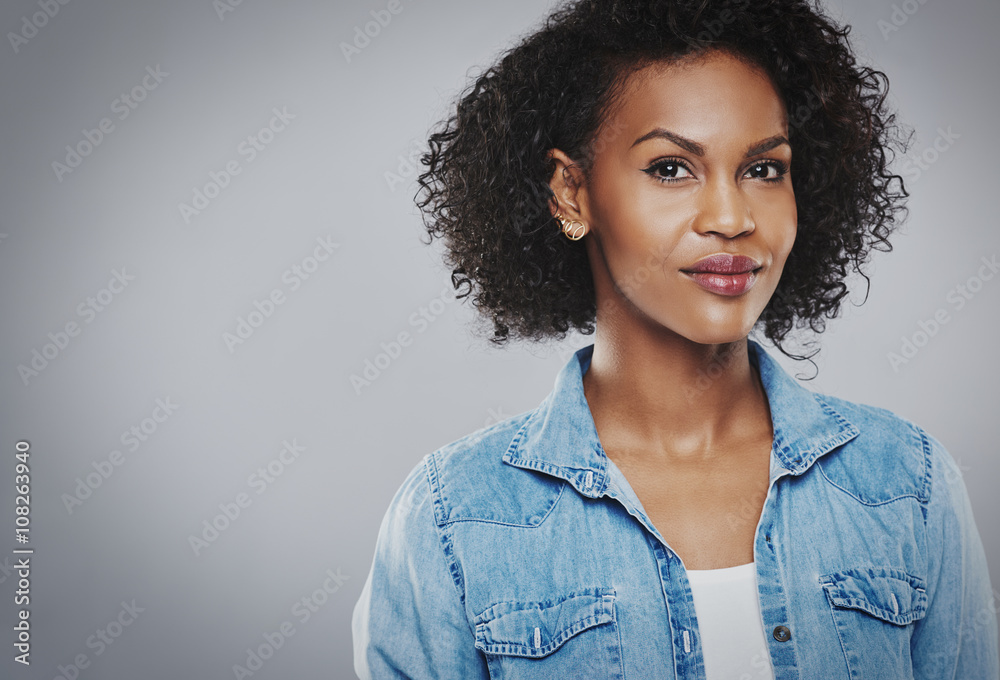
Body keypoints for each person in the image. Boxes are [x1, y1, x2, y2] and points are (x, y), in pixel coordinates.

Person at [351, 0, 1000, 677]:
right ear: (571, 193)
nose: (731, 216)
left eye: (764, 168)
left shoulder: (908, 484)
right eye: (671, 168)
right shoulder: (454, 518)